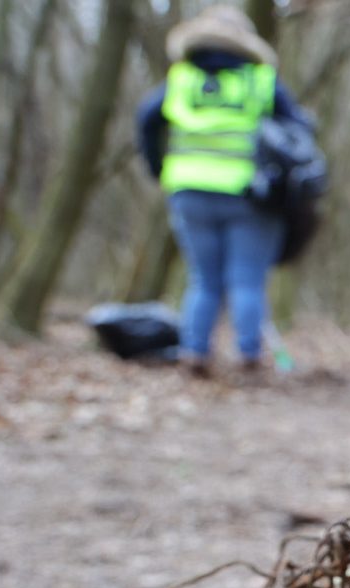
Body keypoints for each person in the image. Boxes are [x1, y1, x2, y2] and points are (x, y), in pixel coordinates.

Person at [135, 6, 312, 376]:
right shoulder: (259, 80)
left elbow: (146, 119)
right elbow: (300, 129)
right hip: (248, 194)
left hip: (188, 190)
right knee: (247, 279)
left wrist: (158, 166)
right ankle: (249, 355)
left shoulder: (181, 79)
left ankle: (194, 353)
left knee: (204, 279)